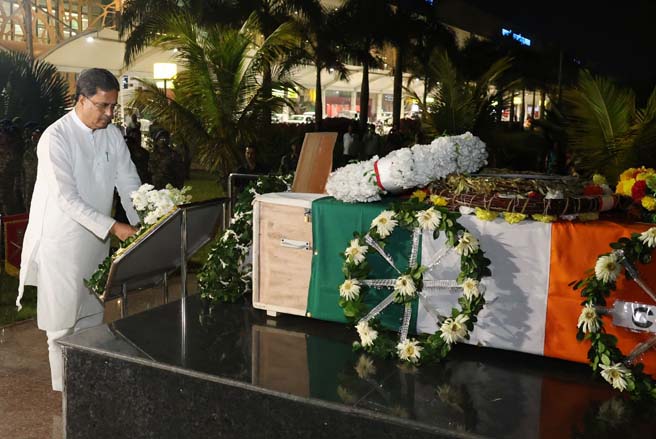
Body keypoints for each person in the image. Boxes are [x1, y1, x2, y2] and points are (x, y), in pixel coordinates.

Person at [16, 68, 142, 392]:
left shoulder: (112, 134)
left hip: (96, 244)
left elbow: (128, 182)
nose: (110, 113)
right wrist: (116, 227)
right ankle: (65, 395)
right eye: (103, 106)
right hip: (62, 245)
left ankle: (87, 388)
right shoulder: (55, 137)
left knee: (91, 318)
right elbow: (65, 199)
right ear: (82, 100)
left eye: (114, 106)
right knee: (61, 324)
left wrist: (144, 224)